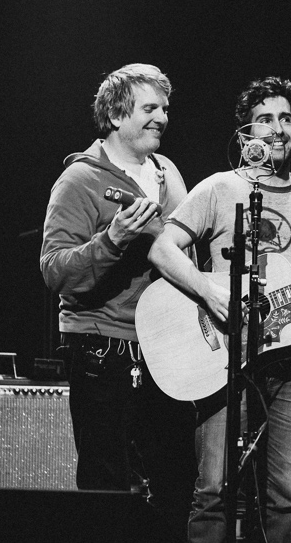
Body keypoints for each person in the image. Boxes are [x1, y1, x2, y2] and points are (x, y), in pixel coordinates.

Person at [148, 76, 291, 543]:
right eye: (265, 119)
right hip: (225, 358)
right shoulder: (217, 189)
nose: (277, 128)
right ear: (246, 133)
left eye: (286, 118)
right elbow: (163, 250)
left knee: (283, 497)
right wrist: (210, 293)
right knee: (213, 488)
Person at [40, 63, 197, 541]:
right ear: (115, 115)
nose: (161, 118)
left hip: (166, 345)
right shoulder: (80, 181)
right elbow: (54, 270)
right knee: (107, 481)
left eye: (165, 108)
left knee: (176, 477)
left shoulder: (168, 173)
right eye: (150, 108)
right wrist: (110, 240)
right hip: (103, 346)